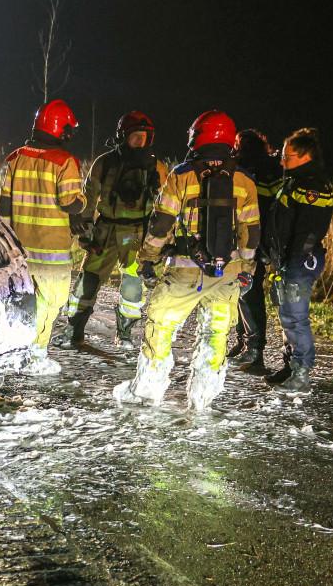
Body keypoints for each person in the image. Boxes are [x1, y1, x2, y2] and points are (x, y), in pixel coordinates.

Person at [113, 110, 261, 411]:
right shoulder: (245, 181)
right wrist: (246, 269)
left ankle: (147, 390)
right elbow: (251, 233)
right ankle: (204, 395)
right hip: (227, 273)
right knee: (217, 331)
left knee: (161, 323)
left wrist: (148, 258)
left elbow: (161, 224)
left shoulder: (181, 175)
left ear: (197, 137)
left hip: (184, 271)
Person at [63, 111, 168, 347]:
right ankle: (74, 331)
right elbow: (89, 197)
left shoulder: (157, 168)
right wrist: (86, 229)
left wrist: (158, 239)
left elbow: (166, 205)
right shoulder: (105, 163)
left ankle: (126, 335)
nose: (140, 142)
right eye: (135, 137)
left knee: (132, 282)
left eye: (144, 137)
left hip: (137, 233)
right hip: (106, 231)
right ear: (123, 136)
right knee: (88, 279)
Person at [0, 99, 86, 353]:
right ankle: (35, 355)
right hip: (52, 252)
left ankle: (13, 348)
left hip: (19, 249)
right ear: (61, 129)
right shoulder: (65, 161)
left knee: (21, 301)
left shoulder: (16, 158)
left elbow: (3, 206)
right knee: (50, 303)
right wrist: (83, 204)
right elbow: (70, 202)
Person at [261, 128, 333, 391]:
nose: (282, 161)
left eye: (286, 156)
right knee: (286, 315)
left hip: (301, 261)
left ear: (304, 156)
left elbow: (310, 231)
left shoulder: (313, 186)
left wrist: (293, 262)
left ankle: (302, 373)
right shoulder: (294, 181)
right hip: (287, 260)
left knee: (296, 317)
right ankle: (290, 366)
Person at [227, 129, 282, 370]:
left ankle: (253, 349)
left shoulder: (241, 169)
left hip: (249, 238)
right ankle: (245, 343)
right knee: (248, 291)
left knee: (248, 292)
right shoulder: (273, 168)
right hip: (269, 239)